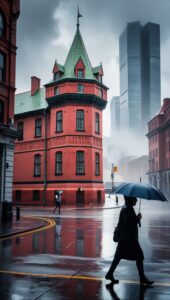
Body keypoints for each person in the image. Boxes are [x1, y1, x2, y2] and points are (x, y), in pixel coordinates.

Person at [105, 196, 154, 285]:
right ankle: (142, 278)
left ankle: (109, 274)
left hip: (125, 238)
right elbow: (129, 223)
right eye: (134, 199)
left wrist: (136, 218)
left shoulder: (127, 207)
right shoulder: (127, 209)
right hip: (128, 238)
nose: (136, 200)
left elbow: (129, 221)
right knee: (139, 256)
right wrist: (137, 218)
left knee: (118, 256)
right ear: (130, 199)